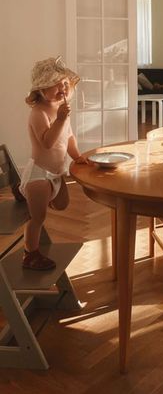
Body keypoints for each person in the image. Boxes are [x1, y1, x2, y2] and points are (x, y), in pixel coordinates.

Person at [19, 56, 87, 270]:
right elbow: (47, 143)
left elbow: (68, 137)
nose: (62, 89)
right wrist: (59, 119)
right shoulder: (38, 113)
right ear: (40, 89)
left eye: (65, 84)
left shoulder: (59, 108)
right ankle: (30, 253)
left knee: (62, 203)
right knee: (37, 217)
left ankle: (39, 199)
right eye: (56, 85)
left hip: (56, 173)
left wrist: (77, 157)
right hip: (40, 174)